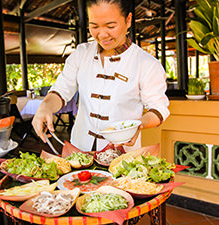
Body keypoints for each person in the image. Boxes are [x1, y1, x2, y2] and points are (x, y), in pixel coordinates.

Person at [32, 0, 170, 152]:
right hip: (79, 149)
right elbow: (60, 91)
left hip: (121, 154)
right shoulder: (81, 54)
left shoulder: (147, 64)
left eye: (111, 26)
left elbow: (158, 109)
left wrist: (139, 125)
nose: (102, 34)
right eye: (94, 26)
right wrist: (45, 107)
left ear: (128, 20)